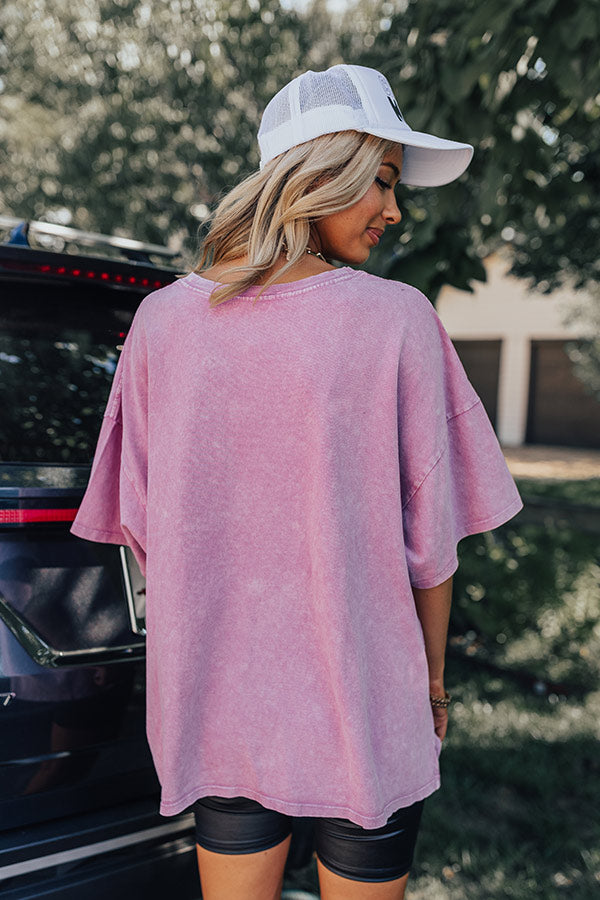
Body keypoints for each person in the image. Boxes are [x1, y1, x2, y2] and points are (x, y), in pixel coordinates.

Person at [71, 64, 522, 900]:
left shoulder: (162, 323)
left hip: (222, 711)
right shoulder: (397, 318)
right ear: (320, 173)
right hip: (368, 704)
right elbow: (431, 546)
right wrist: (431, 685)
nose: (394, 209)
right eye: (382, 180)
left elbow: (142, 528)